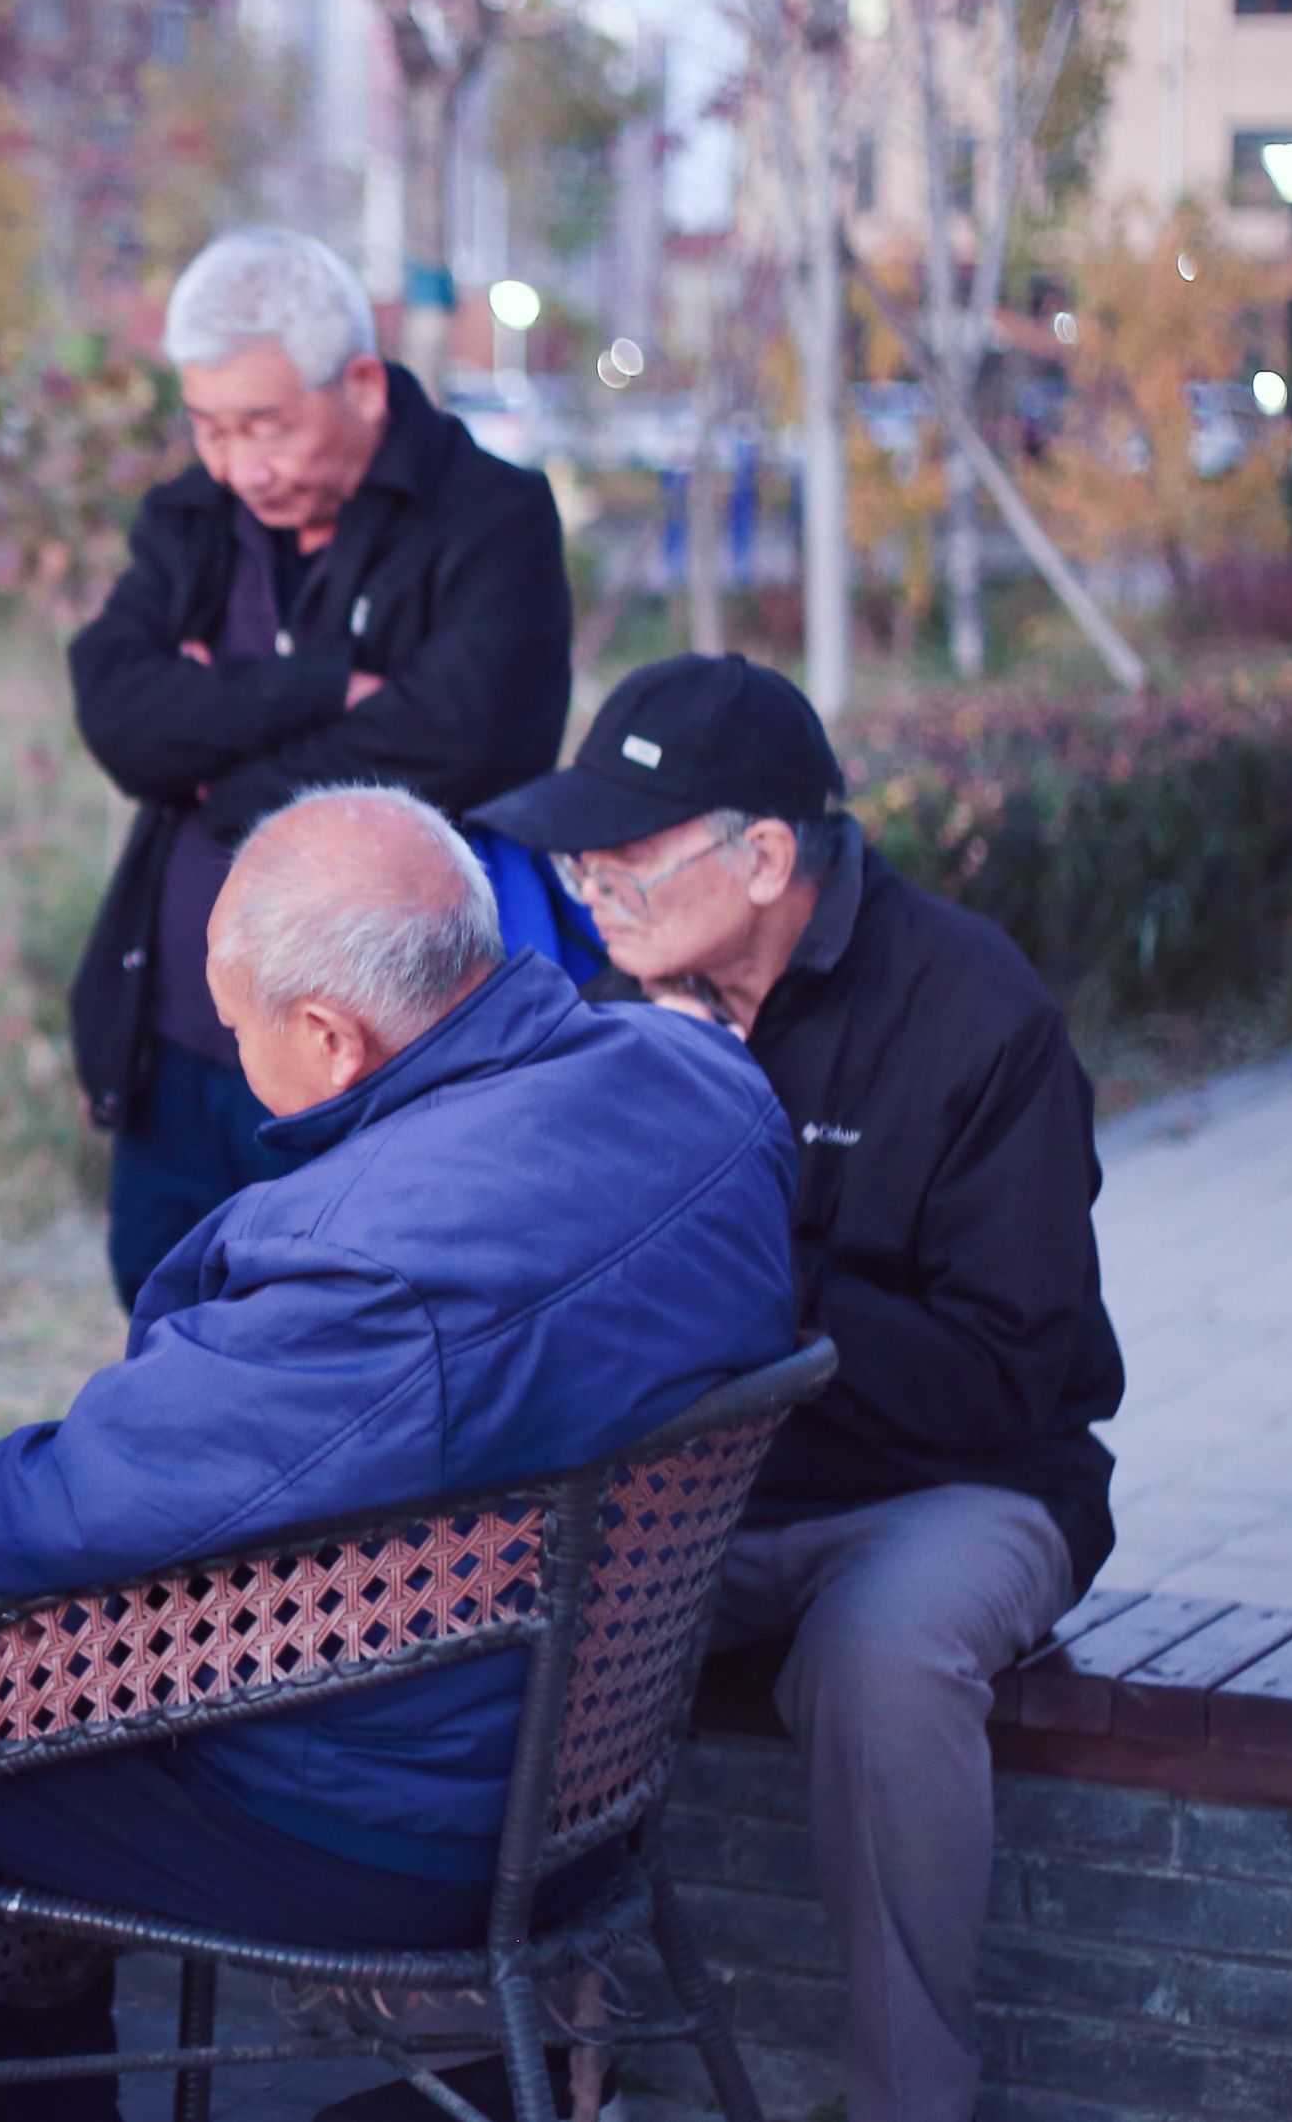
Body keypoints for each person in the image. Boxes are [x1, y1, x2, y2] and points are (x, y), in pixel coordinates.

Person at [0, 787, 798, 2122]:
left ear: (327, 1033)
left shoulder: (375, 1258)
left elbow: (93, 1499)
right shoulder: (706, 1086)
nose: (227, 1047)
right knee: (33, 1665)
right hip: (578, 1780)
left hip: (388, 1822)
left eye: (235, 1021)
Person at [471, 655, 1125, 2122]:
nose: (591, 894)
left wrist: (736, 1256)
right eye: (578, 864)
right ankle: (536, 2071)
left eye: (624, 860)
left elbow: (1011, 1366)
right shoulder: (607, 1011)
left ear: (765, 857)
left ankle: (908, 2100)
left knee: (880, 1657)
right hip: (694, 1484)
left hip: (957, 1484)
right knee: (502, 1612)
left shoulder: (972, 1008)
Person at [65, 227, 587, 1309]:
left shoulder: (488, 517)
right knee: (165, 1321)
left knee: (351, 1334)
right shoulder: (193, 517)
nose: (238, 466)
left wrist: (217, 771)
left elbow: (467, 743)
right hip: (182, 1035)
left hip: (380, 1054)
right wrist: (323, 688)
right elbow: (118, 717)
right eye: (210, 427)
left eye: (265, 425)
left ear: (360, 384)